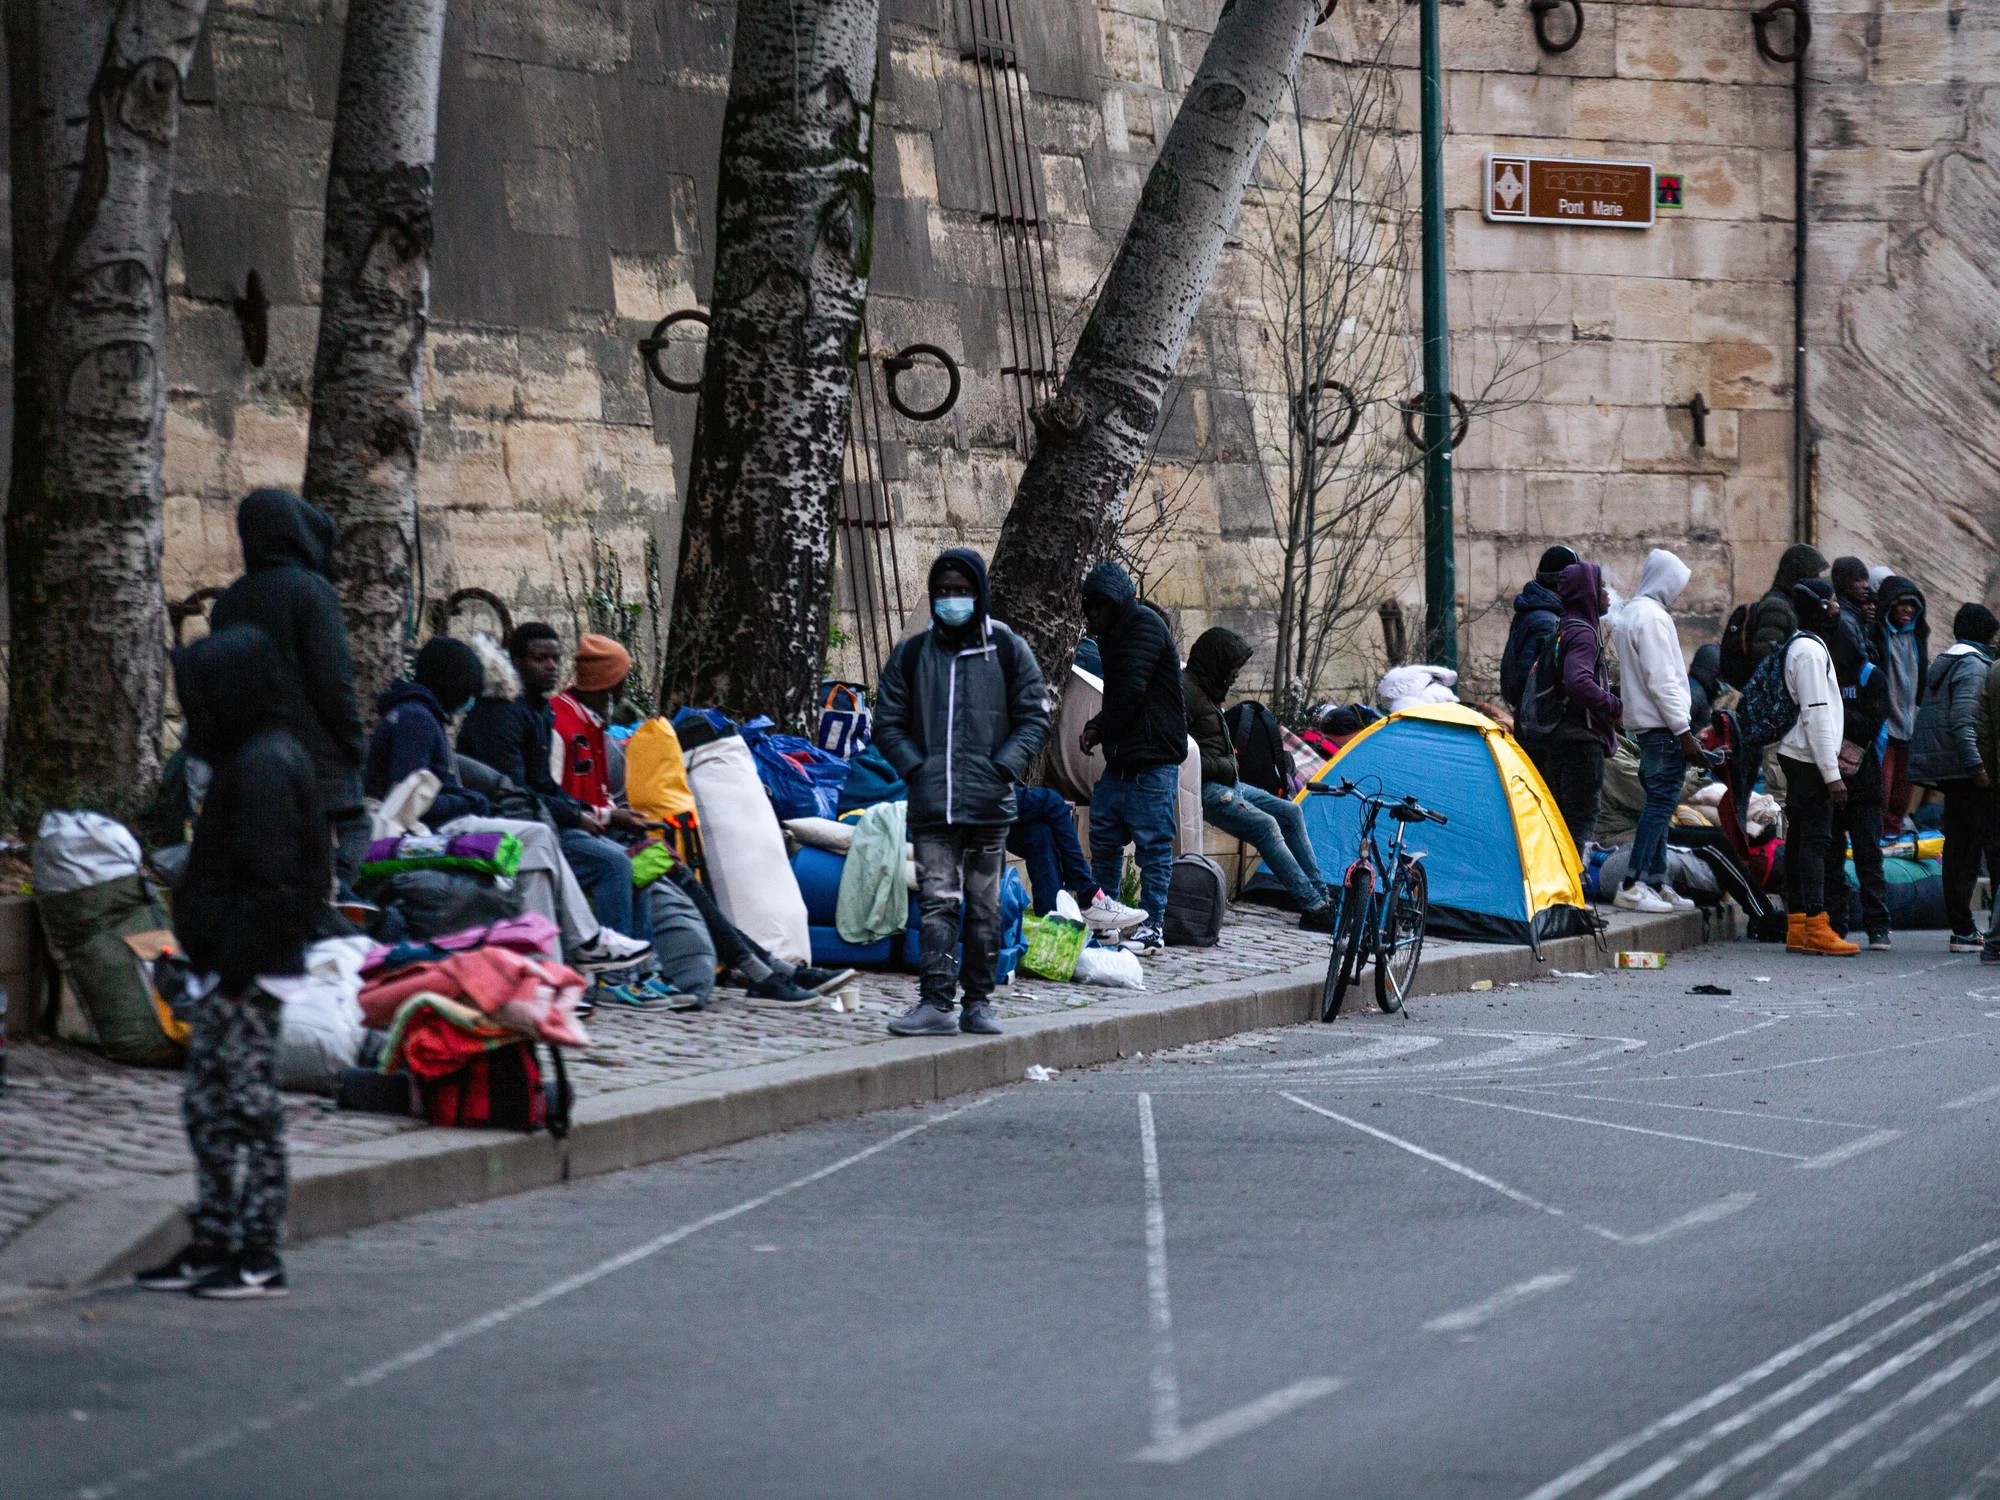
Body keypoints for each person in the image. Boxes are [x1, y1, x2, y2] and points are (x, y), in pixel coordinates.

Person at [136, 626, 327, 1299]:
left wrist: (237, 968)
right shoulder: (253, 756)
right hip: (229, 967)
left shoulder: (266, 765)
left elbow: (276, 884)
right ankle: (214, 1239)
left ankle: (257, 1253)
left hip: (248, 973)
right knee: (209, 1108)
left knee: (247, 1109)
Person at [873, 548, 1049, 1036]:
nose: (953, 599)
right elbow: (886, 721)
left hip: (989, 809)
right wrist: (917, 768)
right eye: (944, 591)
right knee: (938, 904)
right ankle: (935, 1001)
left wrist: (1004, 766)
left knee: (984, 909)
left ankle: (978, 1002)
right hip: (933, 807)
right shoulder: (912, 655)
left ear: (980, 594)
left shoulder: (1008, 650)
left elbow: (1035, 717)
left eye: (962, 591)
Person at [206, 489, 367, 889]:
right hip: (312, 754)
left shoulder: (229, 602)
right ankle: (334, 901)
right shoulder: (311, 592)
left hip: (251, 754)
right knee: (351, 832)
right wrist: (353, 740)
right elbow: (332, 680)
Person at [1184, 627, 1334, 928]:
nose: (1236, 675)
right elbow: (1180, 752)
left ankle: (1324, 901)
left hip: (1227, 783)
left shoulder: (1206, 691)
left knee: (1290, 812)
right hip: (1204, 789)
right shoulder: (1185, 693)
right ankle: (1314, 907)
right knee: (1265, 826)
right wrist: (1224, 766)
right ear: (1217, 664)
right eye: (1233, 668)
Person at [1078, 560, 1185, 955]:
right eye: (1089, 608)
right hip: (1123, 761)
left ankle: (1152, 926)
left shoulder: (1141, 626)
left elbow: (1129, 693)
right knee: (1104, 841)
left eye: (1100, 607)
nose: (1093, 615)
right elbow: (1121, 697)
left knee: (1153, 848)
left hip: (1151, 760)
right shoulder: (1114, 634)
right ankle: (1106, 921)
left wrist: (1100, 727)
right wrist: (1098, 726)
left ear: (1117, 603)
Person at [1609, 549, 1702, 914]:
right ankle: (1633, 883)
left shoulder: (1633, 614)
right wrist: (1684, 732)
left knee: (1658, 805)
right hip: (1664, 728)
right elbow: (1662, 680)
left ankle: (1657, 881)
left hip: (1649, 728)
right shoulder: (1652, 618)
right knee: (1660, 804)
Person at [1908, 603, 2000, 950]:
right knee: (1991, 848)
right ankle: (1994, 933)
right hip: (1970, 771)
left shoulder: (1947, 663)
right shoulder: (1973, 666)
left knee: (1960, 849)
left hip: (1950, 771)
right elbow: (1964, 721)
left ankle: (1963, 930)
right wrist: (1978, 767)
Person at [1775, 581, 1860, 956]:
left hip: (1802, 756)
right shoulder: (1809, 651)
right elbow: (1816, 716)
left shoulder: (1802, 645)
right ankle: (1816, 925)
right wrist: (1832, 775)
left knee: (1799, 841)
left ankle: (1797, 926)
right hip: (1808, 759)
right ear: (1819, 607)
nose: (1838, 608)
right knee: (1815, 842)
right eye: (1833, 602)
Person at [1525, 561, 1622, 855]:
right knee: (1579, 823)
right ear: (1586, 592)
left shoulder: (1563, 627)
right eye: (1601, 586)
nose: (1607, 593)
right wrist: (1613, 704)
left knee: (1562, 822)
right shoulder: (1583, 633)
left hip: (1560, 736)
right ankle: (1573, 880)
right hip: (1582, 740)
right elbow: (1577, 681)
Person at [1827, 576, 1892, 948]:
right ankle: (1837, 924)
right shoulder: (1824, 675)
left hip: (1863, 781)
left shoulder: (1871, 676)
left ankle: (1877, 926)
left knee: (1869, 856)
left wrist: (1834, 713)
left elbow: (1872, 723)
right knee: (1832, 856)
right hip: (1829, 776)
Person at [1006, 785, 1146, 927]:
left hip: (996, 796)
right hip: (993, 795)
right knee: (1053, 801)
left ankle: (1053, 924)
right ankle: (1087, 893)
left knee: (1040, 833)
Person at [1869, 576, 1929, 839]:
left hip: (1910, 726)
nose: (1908, 610)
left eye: (1913, 605)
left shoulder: (1917, 638)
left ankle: (1892, 835)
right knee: (1881, 789)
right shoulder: (1877, 635)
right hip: (1885, 726)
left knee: (1903, 792)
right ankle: (1874, 837)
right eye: (1903, 604)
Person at [1501, 545, 1579, 712]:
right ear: (1562, 582)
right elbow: (1530, 681)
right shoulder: (1546, 622)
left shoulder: (1536, 611)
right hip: (1539, 720)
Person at [1745, 544, 1828, 673]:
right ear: (1798, 575)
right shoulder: (1776, 607)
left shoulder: (1791, 603)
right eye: (1814, 575)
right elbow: (1766, 657)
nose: (1816, 581)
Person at [1830, 556, 1878, 665]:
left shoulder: (1855, 615)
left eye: (1866, 580)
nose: (1866, 585)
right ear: (1843, 583)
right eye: (1858, 580)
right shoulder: (1844, 621)